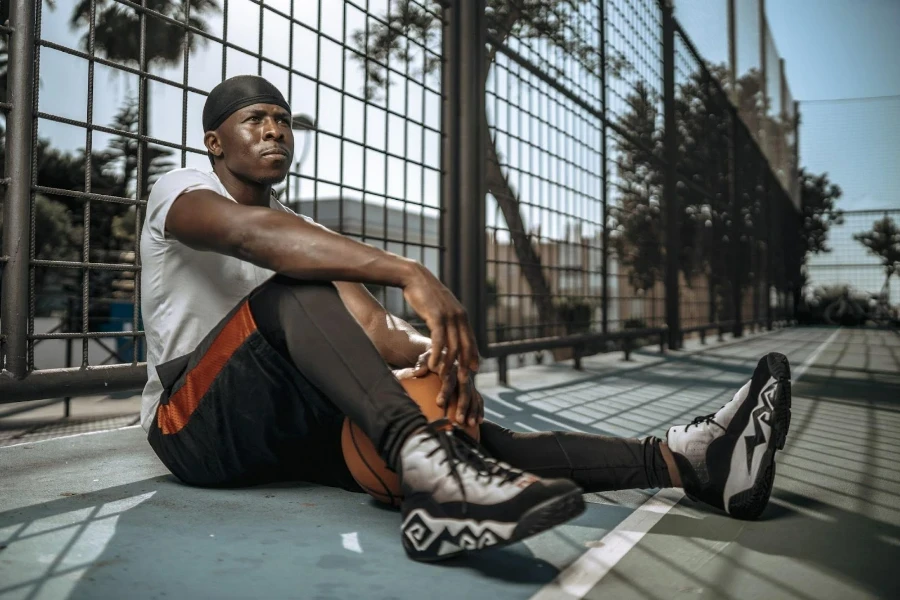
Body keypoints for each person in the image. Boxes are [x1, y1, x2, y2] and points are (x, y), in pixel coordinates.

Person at [140, 75, 792, 562]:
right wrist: (410, 271)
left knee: (463, 432)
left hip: (284, 433)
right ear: (214, 141)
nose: (275, 131)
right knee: (292, 288)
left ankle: (688, 462)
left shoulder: (305, 230)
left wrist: (439, 360)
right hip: (191, 428)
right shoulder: (181, 189)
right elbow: (251, 238)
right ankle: (433, 472)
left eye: (283, 121)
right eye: (256, 119)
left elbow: (377, 332)